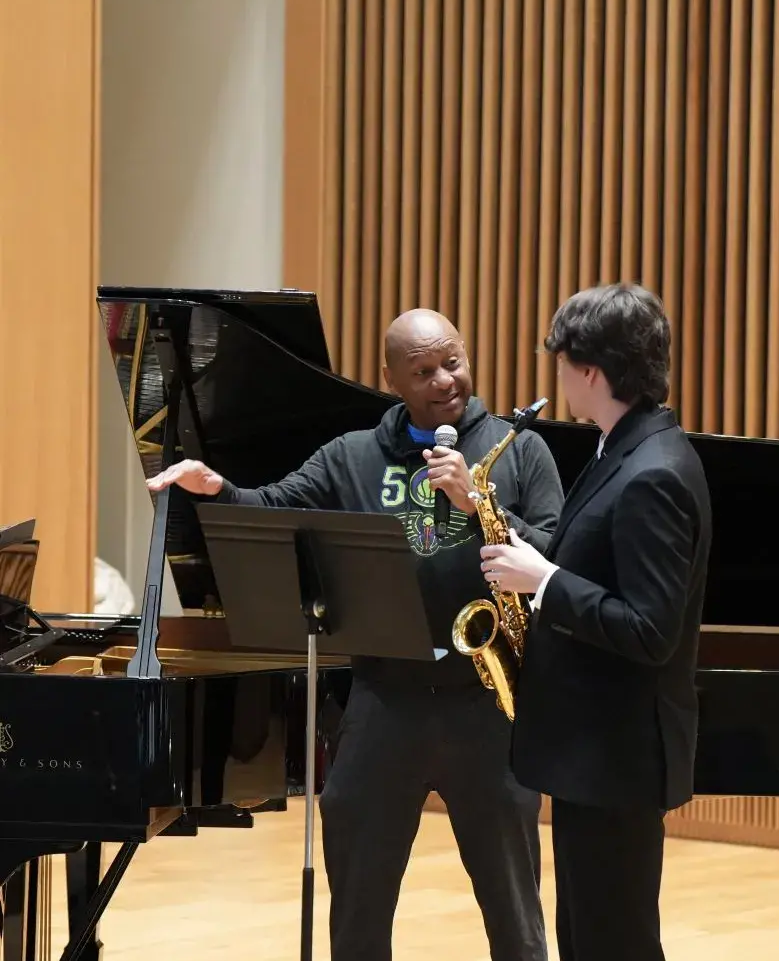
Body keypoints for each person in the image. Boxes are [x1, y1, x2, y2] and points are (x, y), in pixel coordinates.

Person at [146, 308, 564, 961]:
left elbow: (555, 557)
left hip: (487, 701)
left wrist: (478, 506)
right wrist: (218, 487)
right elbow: (275, 507)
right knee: (359, 908)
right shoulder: (352, 456)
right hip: (383, 698)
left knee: (515, 913)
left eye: (451, 361)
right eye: (422, 371)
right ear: (390, 378)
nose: (443, 380)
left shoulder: (519, 449)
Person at [478, 283, 712, 961]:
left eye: (560, 366)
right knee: (585, 937)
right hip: (592, 754)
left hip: (617, 757)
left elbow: (648, 628)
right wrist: (519, 543)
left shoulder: (652, 474)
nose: (557, 381)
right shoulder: (622, 448)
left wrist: (542, 581)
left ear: (589, 371)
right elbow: (593, 555)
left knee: (617, 940)